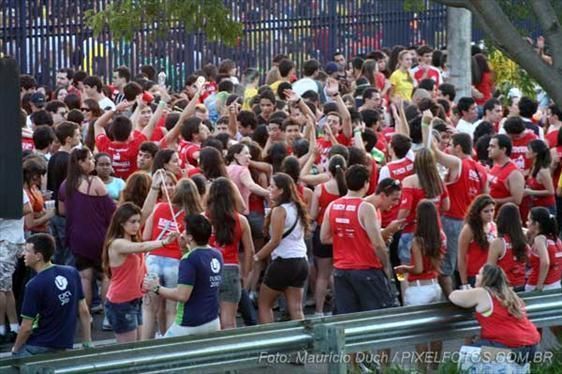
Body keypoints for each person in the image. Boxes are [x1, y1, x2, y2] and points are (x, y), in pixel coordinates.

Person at [321, 165, 395, 314]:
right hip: (366, 269)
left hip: (341, 270)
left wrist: (347, 238)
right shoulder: (366, 207)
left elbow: (324, 238)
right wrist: (386, 266)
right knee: (376, 319)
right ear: (366, 183)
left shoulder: (332, 206)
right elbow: (378, 243)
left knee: (347, 320)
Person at [102, 203, 178, 343]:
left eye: (138, 221)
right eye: (133, 222)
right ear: (121, 222)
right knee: (129, 351)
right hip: (121, 303)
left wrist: (155, 186)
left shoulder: (131, 238)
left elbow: (147, 211)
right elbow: (142, 247)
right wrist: (165, 242)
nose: (137, 225)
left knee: (138, 345)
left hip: (135, 300)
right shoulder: (117, 243)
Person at [141, 178, 204, 339]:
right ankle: (169, 347)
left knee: (149, 310)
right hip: (175, 263)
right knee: (171, 309)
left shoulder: (159, 207)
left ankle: (143, 348)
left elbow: (146, 236)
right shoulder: (195, 217)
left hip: (153, 261)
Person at [11, 234, 92, 356]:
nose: (23, 254)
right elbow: (84, 310)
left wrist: (15, 350)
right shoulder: (71, 272)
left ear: (38, 256)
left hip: (38, 346)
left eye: (27, 251)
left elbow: (26, 327)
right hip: (63, 345)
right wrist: (87, 342)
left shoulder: (34, 285)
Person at [144, 214, 224, 337]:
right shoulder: (216, 254)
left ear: (190, 237)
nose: (182, 231)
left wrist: (156, 288)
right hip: (213, 320)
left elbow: (182, 295)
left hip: (189, 323)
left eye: (185, 230)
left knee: (162, 353)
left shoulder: (188, 259)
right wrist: (183, 248)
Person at [58, 149, 116, 316]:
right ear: (80, 162)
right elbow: (110, 210)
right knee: (106, 275)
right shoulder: (95, 182)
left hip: (77, 236)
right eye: (89, 159)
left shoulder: (65, 184)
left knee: (85, 278)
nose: (92, 162)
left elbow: (62, 211)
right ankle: (107, 316)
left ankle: (86, 316)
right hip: (98, 235)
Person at [433, 133, 488, 295]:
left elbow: (435, 154)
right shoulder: (481, 170)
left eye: (451, 145)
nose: (449, 148)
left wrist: (426, 127)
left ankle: (452, 299)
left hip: (452, 221)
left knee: (446, 267)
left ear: (458, 147)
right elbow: (486, 199)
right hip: (473, 223)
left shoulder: (458, 163)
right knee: (466, 262)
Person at [450, 265, 540, 361]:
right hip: (532, 347)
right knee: (482, 345)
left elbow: (453, 296)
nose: (476, 276)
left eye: (479, 274)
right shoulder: (510, 294)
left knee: (468, 354)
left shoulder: (482, 292)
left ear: (486, 278)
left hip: (512, 350)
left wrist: (468, 290)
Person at [394, 200, 444, 371]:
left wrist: (403, 268)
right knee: (436, 332)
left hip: (419, 288)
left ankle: (422, 369)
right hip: (435, 285)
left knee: (420, 334)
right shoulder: (439, 237)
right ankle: (435, 367)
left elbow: (418, 268)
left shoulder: (417, 241)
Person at [254, 173, 309, 323]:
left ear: (282, 190)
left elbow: (275, 241)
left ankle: (271, 341)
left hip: (284, 261)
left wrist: (256, 257)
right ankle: (303, 343)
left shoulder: (279, 210)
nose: (269, 189)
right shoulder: (297, 207)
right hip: (301, 261)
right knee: (296, 309)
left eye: (272, 186)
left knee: (264, 304)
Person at [206, 178, 254, 329]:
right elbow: (250, 250)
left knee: (208, 317)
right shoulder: (241, 220)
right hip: (231, 269)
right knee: (229, 320)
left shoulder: (203, 218)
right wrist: (245, 274)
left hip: (207, 270)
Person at [397, 148, 449, 266]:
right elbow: (446, 206)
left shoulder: (409, 181)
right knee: (435, 268)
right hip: (436, 231)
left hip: (412, 231)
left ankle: (402, 284)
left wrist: (397, 223)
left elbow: (405, 210)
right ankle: (437, 285)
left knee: (404, 268)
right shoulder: (438, 181)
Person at [310, 155, 347, 316]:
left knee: (323, 276)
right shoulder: (347, 188)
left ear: (328, 170)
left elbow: (311, 215)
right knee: (339, 272)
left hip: (323, 232)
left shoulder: (320, 188)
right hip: (342, 232)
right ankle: (341, 307)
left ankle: (319, 311)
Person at [487, 203, 529, 292]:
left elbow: (489, 271)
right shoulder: (524, 238)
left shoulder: (498, 243)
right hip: (522, 286)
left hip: (505, 289)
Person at [458, 195, 497, 288]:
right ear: (478, 212)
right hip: (475, 276)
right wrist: (464, 283)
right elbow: (461, 257)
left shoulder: (493, 225)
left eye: (492, 210)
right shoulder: (469, 229)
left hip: (491, 274)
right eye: (486, 211)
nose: (490, 214)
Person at [525, 207, 562, 291]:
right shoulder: (556, 240)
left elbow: (545, 262)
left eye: (529, 220)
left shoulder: (540, 239)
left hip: (538, 286)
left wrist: (539, 284)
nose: (527, 223)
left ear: (537, 224)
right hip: (556, 285)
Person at [487, 134, 525, 208]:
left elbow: (517, 200)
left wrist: (492, 201)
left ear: (503, 149)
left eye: (492, 146)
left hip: (504, 216)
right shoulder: (496, 166)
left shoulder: (514, 173)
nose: (488, 149)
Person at [524, 140, 555, 215]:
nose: (526, 151)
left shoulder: (543, 171)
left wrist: (529, 192)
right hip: (535, 206)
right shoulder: (533, 166)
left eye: (529, 149)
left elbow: (551, 191)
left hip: (546, 208)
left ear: (535, 153)